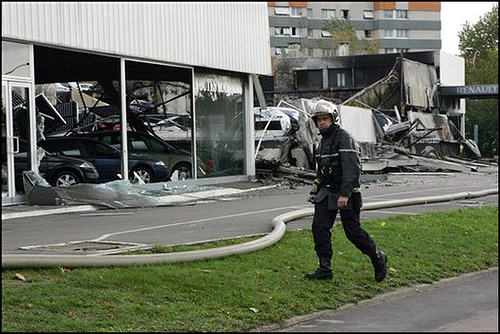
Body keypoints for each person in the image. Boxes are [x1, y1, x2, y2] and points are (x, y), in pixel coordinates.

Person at [305, 100, 387, 282]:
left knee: (352, 232)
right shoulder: (321, 142)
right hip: (326, 192)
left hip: (346, 193)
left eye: (325, 119)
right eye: (318, 120)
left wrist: (345, 194)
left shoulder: (344, 138)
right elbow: (322, 171)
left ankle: (377, 257)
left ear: (333, 118)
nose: (322, 123)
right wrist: (315, 188)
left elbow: (352, 169)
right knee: (319, 228)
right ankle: (324, 267)